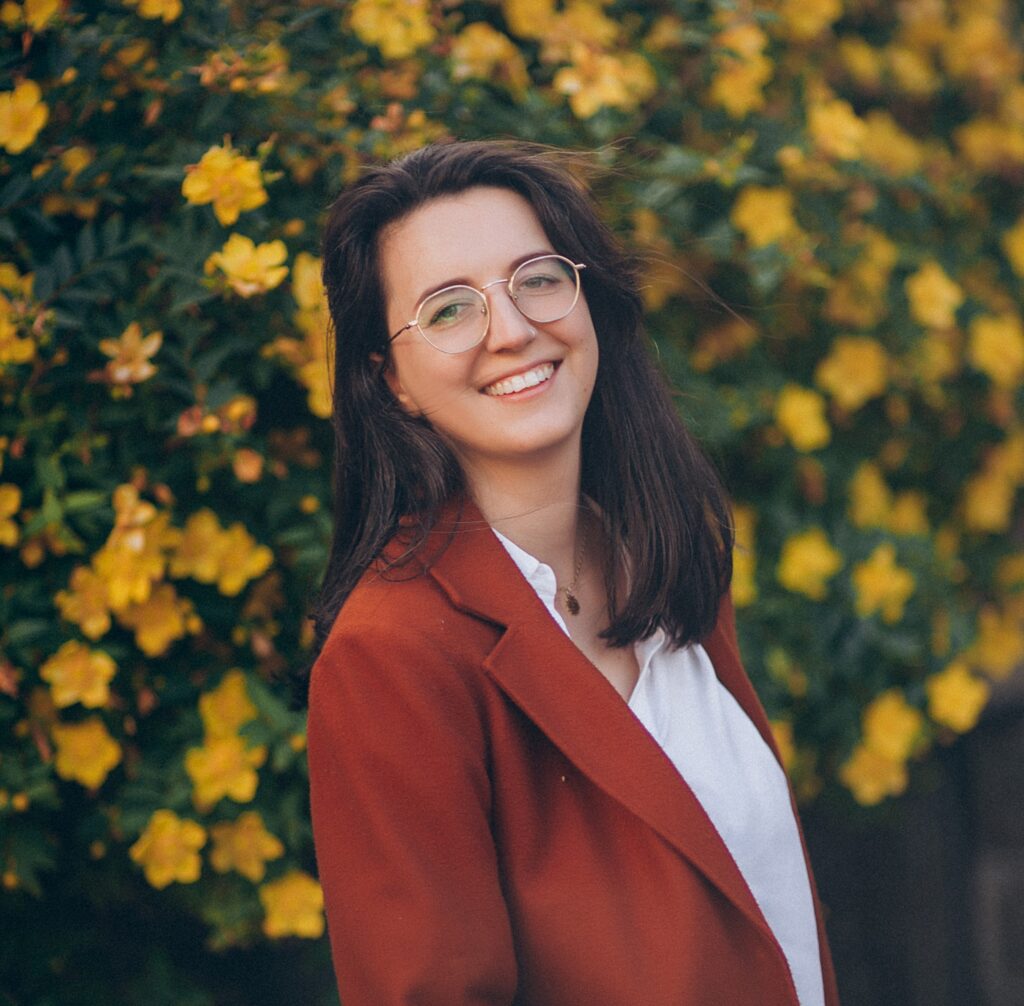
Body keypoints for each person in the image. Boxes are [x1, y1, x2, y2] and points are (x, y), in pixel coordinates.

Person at [304, 139, 840, 1006]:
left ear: (586, 296)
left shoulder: (671, 563)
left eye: (539, 278)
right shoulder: (393, 657)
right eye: (448, 310)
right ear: (390, 378)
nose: (512, 329)